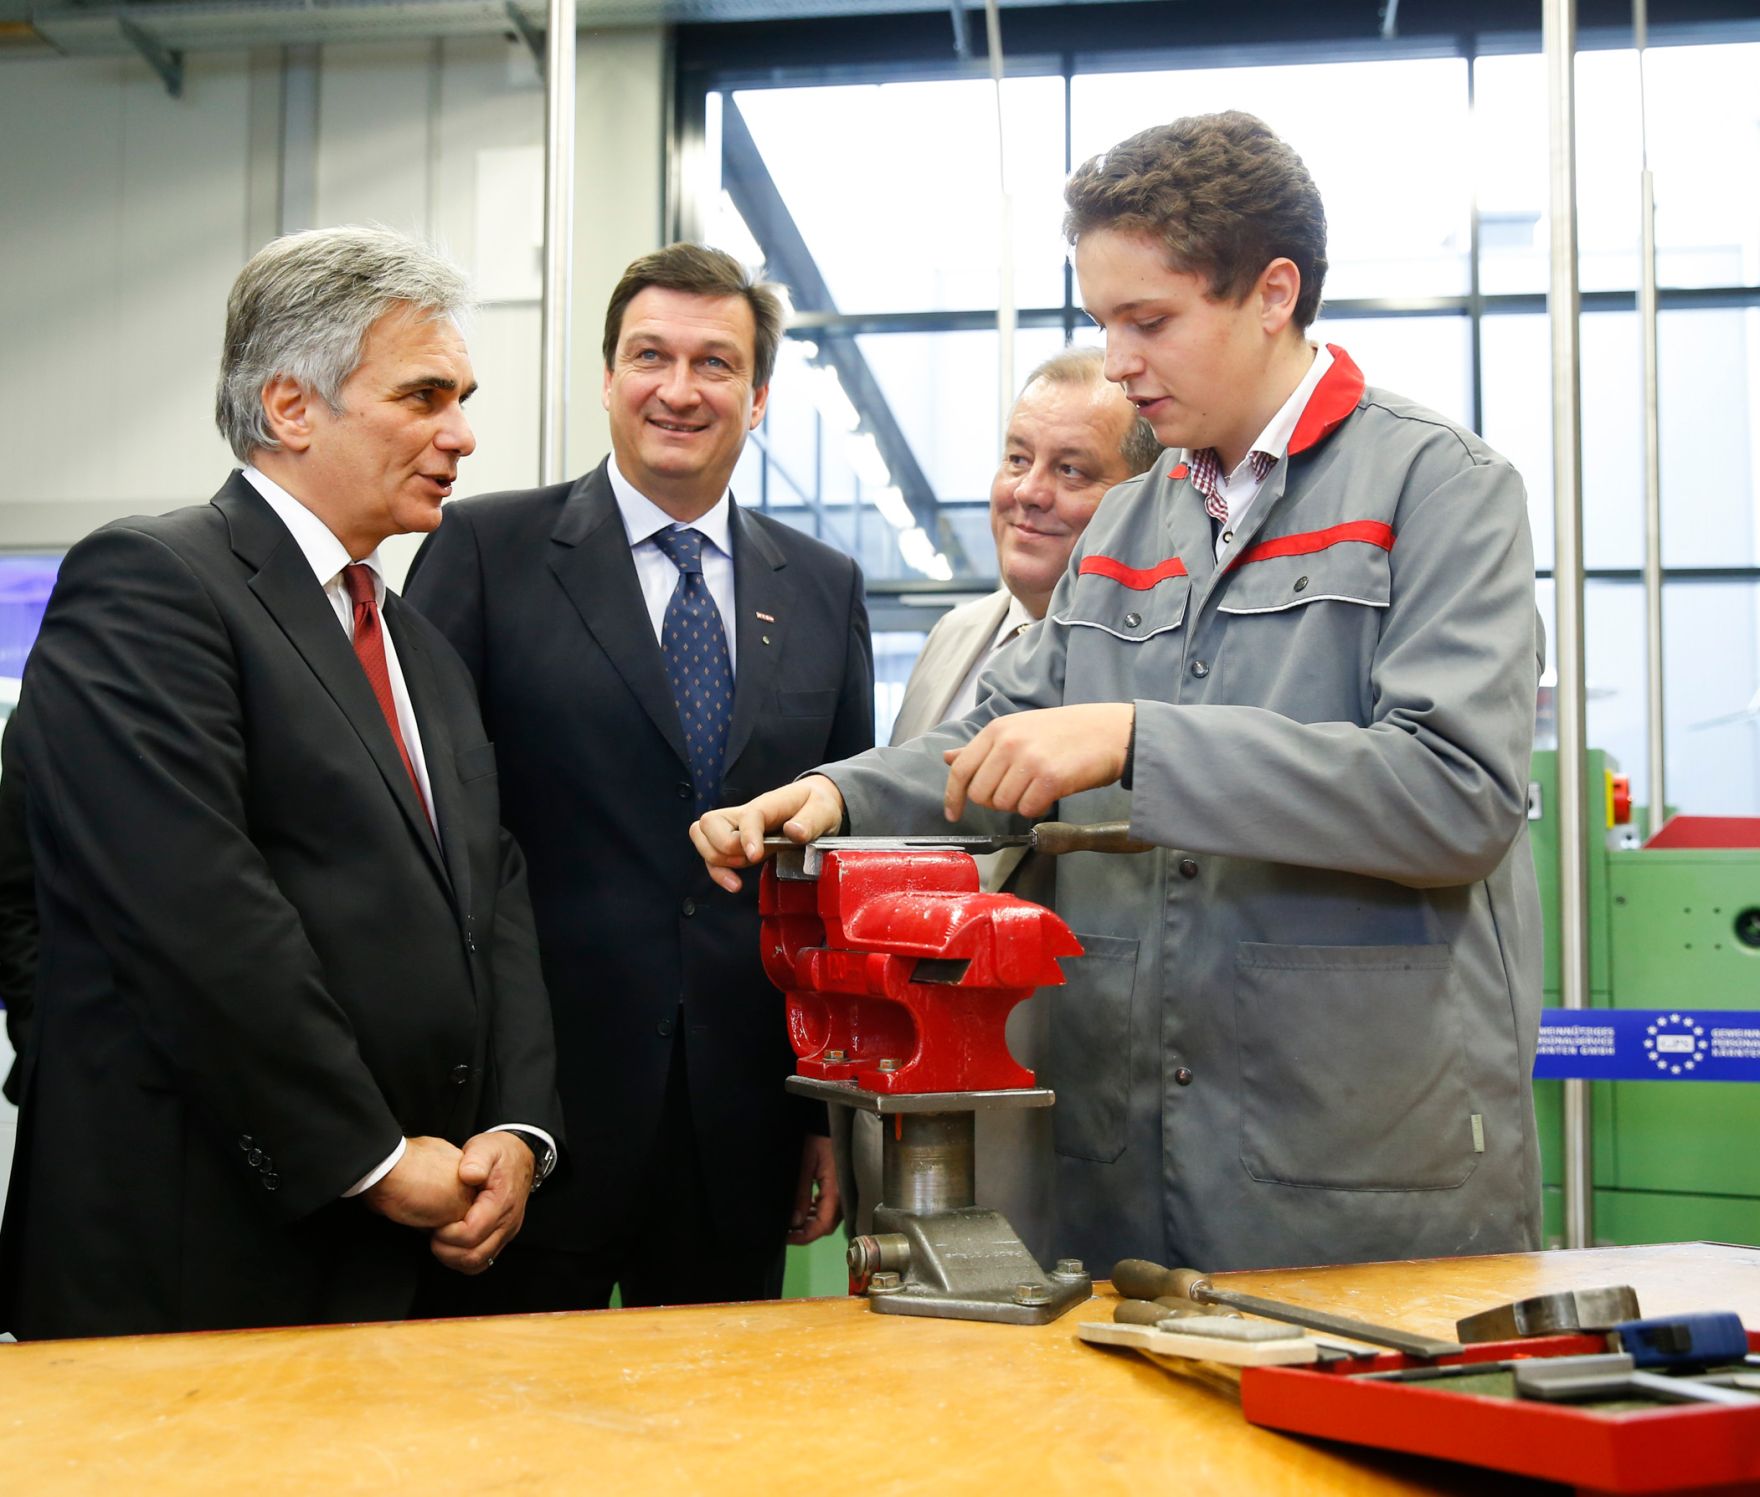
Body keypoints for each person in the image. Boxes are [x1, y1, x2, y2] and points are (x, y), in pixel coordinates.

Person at [694, 112, 1544, 1276]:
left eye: (1149, 321)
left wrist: (1139, 741)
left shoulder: (1437, 489)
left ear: (1271, 293)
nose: (1121, 360)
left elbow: (1456, 795)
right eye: (1102, 322)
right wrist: (834, 798)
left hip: (1348, 1169)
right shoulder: (1135, 519)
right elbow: (996, 738)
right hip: (1119, 1168)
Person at [0, 226, 561, 1340]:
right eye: (423, 395)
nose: (462, 433)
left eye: (463, 396)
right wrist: (369, 1154)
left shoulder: (415, 644)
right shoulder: (153, 588)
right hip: (200, 1242)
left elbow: (489, 897)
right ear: (292, 407)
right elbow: (194, 914)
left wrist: (517, 1130)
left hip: (405, 1242)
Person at [404, 243, 873, 1311]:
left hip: (739, 1121)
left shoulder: (823, 588)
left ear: (757, 398)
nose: (678, 389)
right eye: (648, 355)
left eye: (713, 363)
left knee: (717, 1446)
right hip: (526, 1116)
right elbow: (426, 835)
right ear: (608, 378)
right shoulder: (480, 550)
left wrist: (818, 1117)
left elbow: (832, 873)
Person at [837, 347, 1158, 1256]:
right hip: (908, 1102)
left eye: (1072, 470)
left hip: (1061, 1118)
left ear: (1144, 497)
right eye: (1017, 459)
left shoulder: (1154, 672)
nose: (1030, 492)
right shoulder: (955, 637)